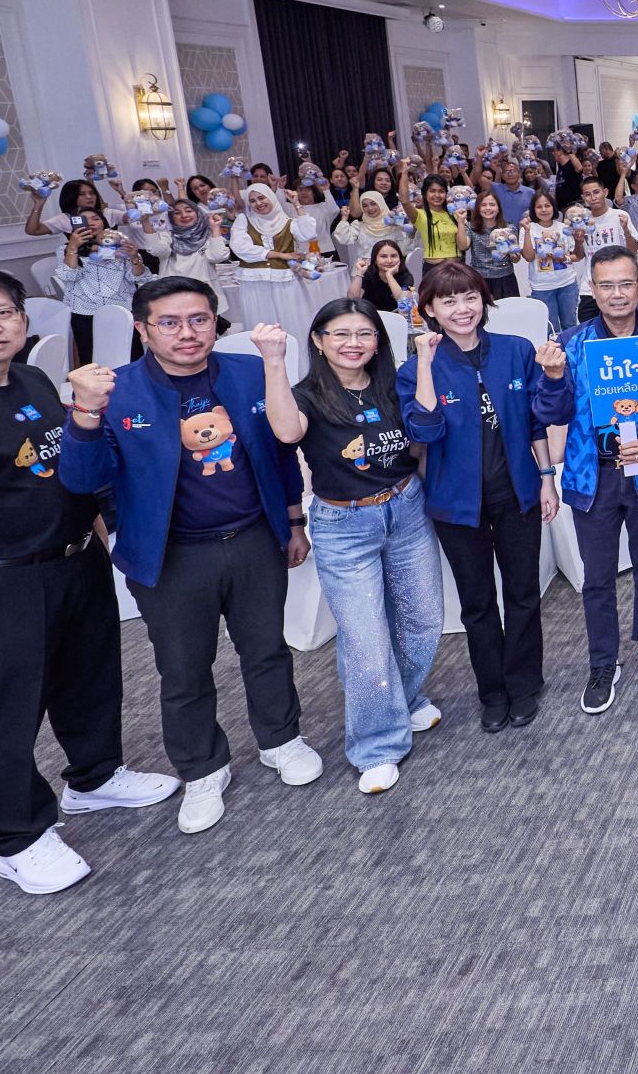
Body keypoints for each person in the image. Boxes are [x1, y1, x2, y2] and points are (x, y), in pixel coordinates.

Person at [0, 266, 179, 893]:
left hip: (74, 557)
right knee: (10, 709)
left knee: (91, 678)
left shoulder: (30, 377)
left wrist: (109, 542)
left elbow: (72, 471)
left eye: (3, 313)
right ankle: (18, 837)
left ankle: (95, 777)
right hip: (0, 580)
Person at [60, 276, 322, 834]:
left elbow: (280, 455)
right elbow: (82, 480)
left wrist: (294, 522)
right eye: (170, 323)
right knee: (183, 668)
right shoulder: (116, 391)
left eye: (199, 319)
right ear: (143, 329)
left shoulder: (251, 371)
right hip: (172, 555)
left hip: (254, 539)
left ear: (214, 322)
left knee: (267, 650)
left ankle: (281, 739)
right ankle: (202, 767)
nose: (187, 333)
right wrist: (84, 414)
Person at [261, 300, 443, 795]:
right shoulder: (307, 395)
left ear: (378, 341)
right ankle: (377, 746)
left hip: (406, 508)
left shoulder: (391, 385)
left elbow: (421, 437)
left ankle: (402, 699)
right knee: (366, 639)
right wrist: (273, 361)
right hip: (344, 524)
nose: (353, 343)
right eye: (340, 334)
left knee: (423, 618)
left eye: (364, 333)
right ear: (318, 341)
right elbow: (286, 432)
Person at [399, 261, 573, 733]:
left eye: (470, 297)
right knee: (477, 603)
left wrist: (546, 478)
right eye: (448, 301)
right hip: (456, 505)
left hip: (516, 493)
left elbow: (539, 420)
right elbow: (423, 431)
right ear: (429, 309)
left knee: (523, 593)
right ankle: (492, 691)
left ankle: (524, 683)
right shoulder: (415, 369)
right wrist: (426, 365)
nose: (462, 309)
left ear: (484, 300)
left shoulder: (515, 351)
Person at [554, 246, 638, 710]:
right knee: (597, 576)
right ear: (593, 289)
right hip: (593, 479)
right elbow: (552, 411)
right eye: (606, 285)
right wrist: (551, 377)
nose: (617, 294)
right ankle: (602, 660)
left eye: (625, 283)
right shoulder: (571, 344)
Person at [52, 216, 151, 365]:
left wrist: (134, 258)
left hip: (122, 308)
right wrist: (73, 247)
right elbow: (69, 275)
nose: (90, 223)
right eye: (85, 220)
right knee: (91, 358)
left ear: (105, 224)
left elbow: (138, 277)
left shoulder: (122, 246)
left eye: (95, 218)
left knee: (131, 354)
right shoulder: (66, 249)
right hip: (85, 310)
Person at [228, 183, 319, 339]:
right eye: (252, 201)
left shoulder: (288, 222)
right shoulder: (244, 220)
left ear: (271, 197)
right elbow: (240, 247)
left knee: (291, 322)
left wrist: (297, 204)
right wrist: (280, 255)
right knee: (261, 323)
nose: (258, 203)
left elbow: (309, 234)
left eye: (262, 198)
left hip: (285, 281)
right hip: (255, 283)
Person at [129, 199, 231, 317]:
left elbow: (218, 256)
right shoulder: (167, 236)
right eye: (177, 213)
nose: (184, 215)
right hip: (172, 294)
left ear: (198, 213)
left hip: (204, 295)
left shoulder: (208, 236)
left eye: (188, 211)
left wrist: (215, 228)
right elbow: (157, 250)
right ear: (171, 217)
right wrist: (146, 222)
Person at [519, 191, 580, 333]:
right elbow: (528, 257)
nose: (544, 210)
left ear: (553, 207)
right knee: (551, 330)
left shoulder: (563, 228)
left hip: (567, 284)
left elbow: (576, 256)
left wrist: (565, 258)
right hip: (542, 287)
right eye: (539, 207)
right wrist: (526, 231)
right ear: (533, 209)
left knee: (570, 326)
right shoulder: (528, 229)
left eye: (547, 205)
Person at [465, 190, 522, 301]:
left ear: (498, 208)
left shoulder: (509, 228)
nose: (488, 208)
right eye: (483, 205)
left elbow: (515, 259)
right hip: (480, 279)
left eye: (492, 204)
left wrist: (515, 256)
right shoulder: (470, 227)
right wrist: (461, 221)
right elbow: (463, 246)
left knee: (510, 310)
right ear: (477, 208)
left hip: (506, 278)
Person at [411, 175, 467, 267]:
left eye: (441, 191)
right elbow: (405, 201)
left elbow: (463, 246)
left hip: (457, 266)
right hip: (433, 268)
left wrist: (461, 221)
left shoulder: (456, 214)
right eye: (432, 191)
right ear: (424, 194)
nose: (437, 195)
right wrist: (404, 172)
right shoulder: (419, 214)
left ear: (446, 194)